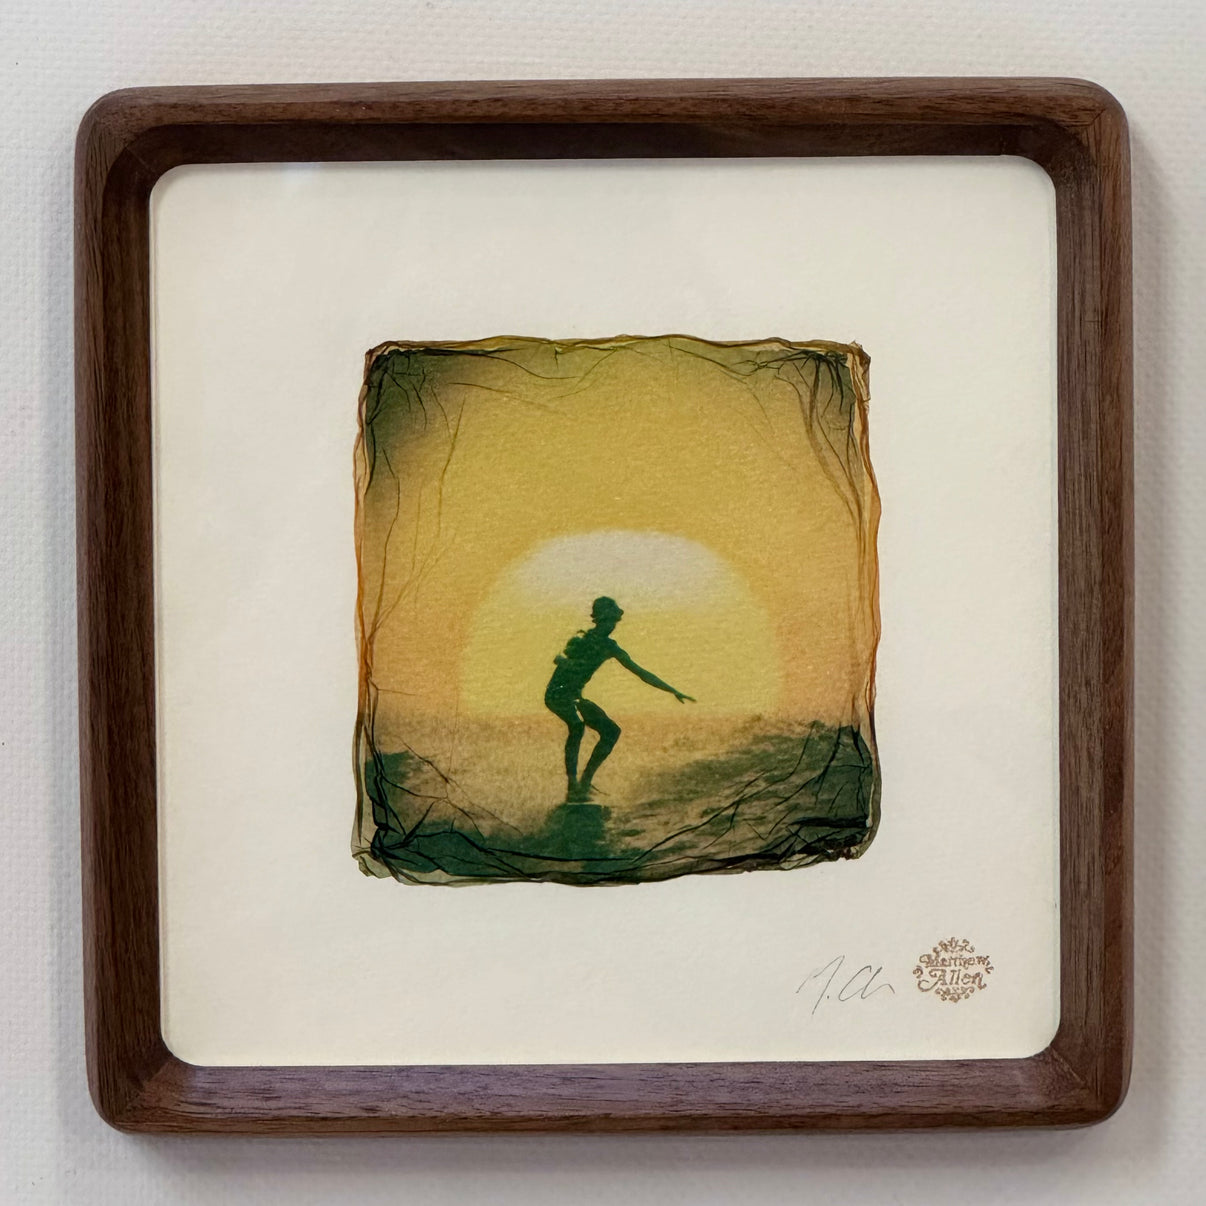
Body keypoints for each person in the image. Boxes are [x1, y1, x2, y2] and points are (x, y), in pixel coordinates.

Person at [544, 596, 694, 802]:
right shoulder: (581, 639)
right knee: (577, 726)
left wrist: (672, 690)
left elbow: (640, 672)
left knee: (611, 732)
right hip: (556, 694)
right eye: (609, 621)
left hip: (575, 697)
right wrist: (570, 663)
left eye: (614, 621)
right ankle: (572, 786)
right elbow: (558, 658)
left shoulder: (610, 647)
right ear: (599, 619)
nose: (612, 626)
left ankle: (585, 782)